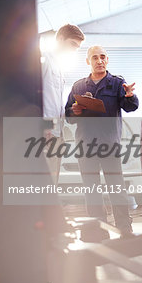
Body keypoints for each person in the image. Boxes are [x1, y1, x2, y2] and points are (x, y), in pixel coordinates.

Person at [65, 45, 139, 239]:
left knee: (117, 188)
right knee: (92, 190)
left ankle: (125, 228)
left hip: (109, 145)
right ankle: (97, 230)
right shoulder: (78, 86)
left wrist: (130, 95)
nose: (99, 61)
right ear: (88, 61)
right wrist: (76, 111)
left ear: (107, 60)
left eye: (103, 57)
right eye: (95, 58)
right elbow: (69, 115)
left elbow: (130, 107)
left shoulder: (117, 84)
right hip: (86, 144)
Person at [42, 24, 84, 183]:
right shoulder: (44, 60)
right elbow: (36, 95)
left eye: (77, 47)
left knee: (52, 181)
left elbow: (55, 100)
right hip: (46, 131)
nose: (74, 49)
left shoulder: (59, 67)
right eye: (72, 44)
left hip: (57, 133)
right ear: (60, 39)